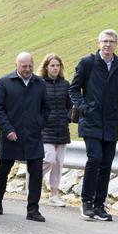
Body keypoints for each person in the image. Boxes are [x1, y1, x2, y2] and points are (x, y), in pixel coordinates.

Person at [69, 29, 118, 222]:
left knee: (106, 164)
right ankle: (86, 203)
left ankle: (100, 205)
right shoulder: (87, 62)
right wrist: (84, 108)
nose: (108, 45)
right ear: (99, 43)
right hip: (90, 121)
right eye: (105, 41)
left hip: (110, 122)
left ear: (116, 44)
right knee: (95, 158)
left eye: (111, 42)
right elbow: (73, 89)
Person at [0, 52, 50, 222]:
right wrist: (8, 129)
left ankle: (33, 209)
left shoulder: (39, 83)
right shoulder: (5, 82)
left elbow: (46, 108)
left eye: (30, 66)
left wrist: (39, 123)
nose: (27, 69)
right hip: (12, 135)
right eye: (24, 66)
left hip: (33, 135)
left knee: (36, 173)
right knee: (3, 171)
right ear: (16, 65)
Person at [39, 53, 72, 207]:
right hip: (45, 129)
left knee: (58, 163)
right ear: (46, 67)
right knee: (49, 158)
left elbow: (70, 106)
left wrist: (68, 117)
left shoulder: (66, 84)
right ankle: (33, 178)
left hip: (62, 129)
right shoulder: (39, 84)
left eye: (57, 66)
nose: (55, 68)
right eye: (52, 65)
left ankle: (54, 195)